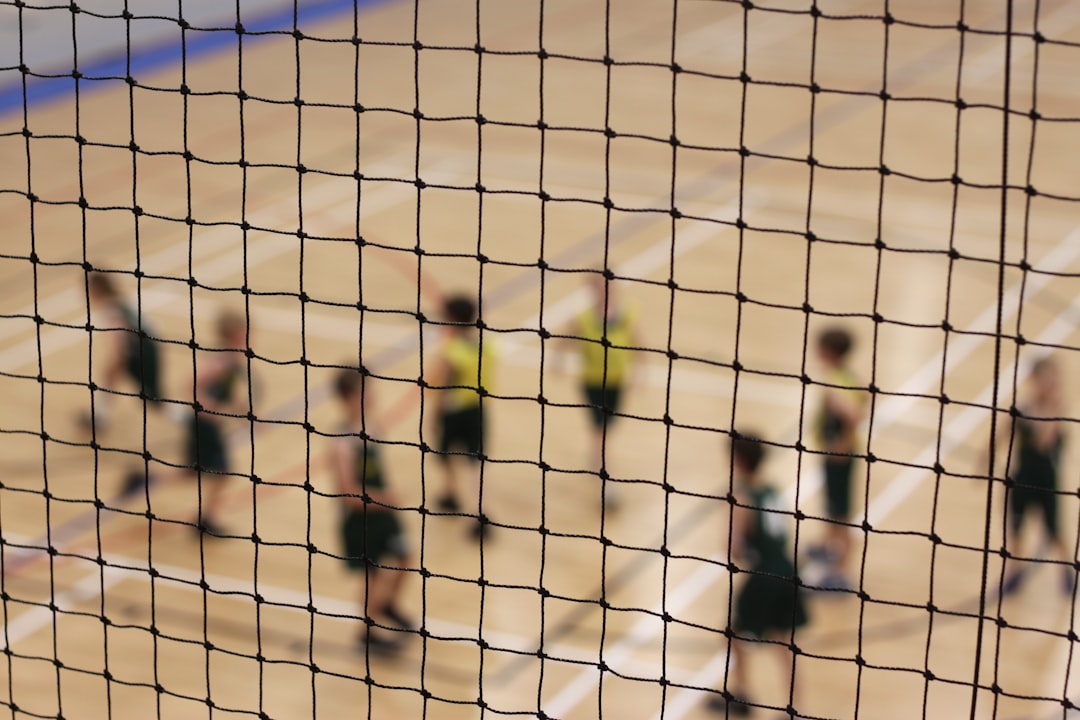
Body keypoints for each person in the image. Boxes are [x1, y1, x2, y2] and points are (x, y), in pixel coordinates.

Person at [708, 432, 808, 716]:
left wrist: (727, 517)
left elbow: (732, 549)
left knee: (731, 633)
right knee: (785, 642)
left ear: (738, 460)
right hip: (788, 571)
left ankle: (741, 694)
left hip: (764, 576)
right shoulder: (772, 489)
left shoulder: (741, 495)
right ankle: (795, 706)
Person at [331, 367, 414, 652]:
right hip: (361, 518)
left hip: (383, 512)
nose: (372, 396)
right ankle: (366, 633)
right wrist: (386, 498)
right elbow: (350, 495)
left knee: (405, 555)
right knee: (373, 574)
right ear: (348, 398)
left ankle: (387, 604)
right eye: (364, 391)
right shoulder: (343, 444)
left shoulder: (373, 428)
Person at [991, 356, 1073, 595]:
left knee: (1056, 531)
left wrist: (1056, 408)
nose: (1050, 385)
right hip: (1020, 481)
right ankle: (1013, 574)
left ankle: (1067, 573)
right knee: (1015, 531)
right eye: (1045, 379)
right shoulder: (1021, 409)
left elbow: (1043, 442)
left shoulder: (1057, 413)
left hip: (1048, 484)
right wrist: (984, 463)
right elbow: (1000, 435)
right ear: (1034, 380)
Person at [564, 272, 638, 507]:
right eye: (598, 286)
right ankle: (608, 485)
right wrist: (557, 358)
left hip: (618, 380)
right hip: (593, 381)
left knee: (607, 428)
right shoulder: (584, 317)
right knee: (601, 429)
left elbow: (637, 340)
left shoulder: (626, 313)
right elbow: (566, 337)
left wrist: (642, 370)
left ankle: (596, 458)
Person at [425, 294, 494, 540]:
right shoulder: (487, 346)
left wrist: (433, 416)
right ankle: (477, 511)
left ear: (453, 319)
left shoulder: (450, 351)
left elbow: (438, 384)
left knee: (445, 454)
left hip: (453, 413)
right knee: (474, 463)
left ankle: (452, 495)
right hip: (478, 410)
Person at [184, 310, 251, 535]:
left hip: (207, 425)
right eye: (244, 331)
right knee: (223, 472)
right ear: (234, 334)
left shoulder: (232, 360)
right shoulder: (222, 361)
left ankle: (140, 478)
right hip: (204, 426)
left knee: (191, 471)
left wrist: (244, 412)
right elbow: (191, 385)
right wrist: (208, 409)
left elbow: (227, 392)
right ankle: (204, 521)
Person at [810, 327, 865, 591]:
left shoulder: (834, 381)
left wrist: (842, 443)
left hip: (839, 456)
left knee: (841, 515)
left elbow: (853, 413)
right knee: (835, 510)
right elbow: (864, 398)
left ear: (828, 351)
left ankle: (842, 574)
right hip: (840, 453)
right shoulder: (846, 375)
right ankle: (827, 550)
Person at [83, 272, 166, 430]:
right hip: (147, 348)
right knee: (111, 378)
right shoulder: (121, 300)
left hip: (141, 353)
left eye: (89, 289)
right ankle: (99, 416)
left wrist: (117, 363)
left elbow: (122, 344)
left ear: (98, 289)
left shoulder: (111, 311)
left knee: (155, 402)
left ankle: (195, 418)